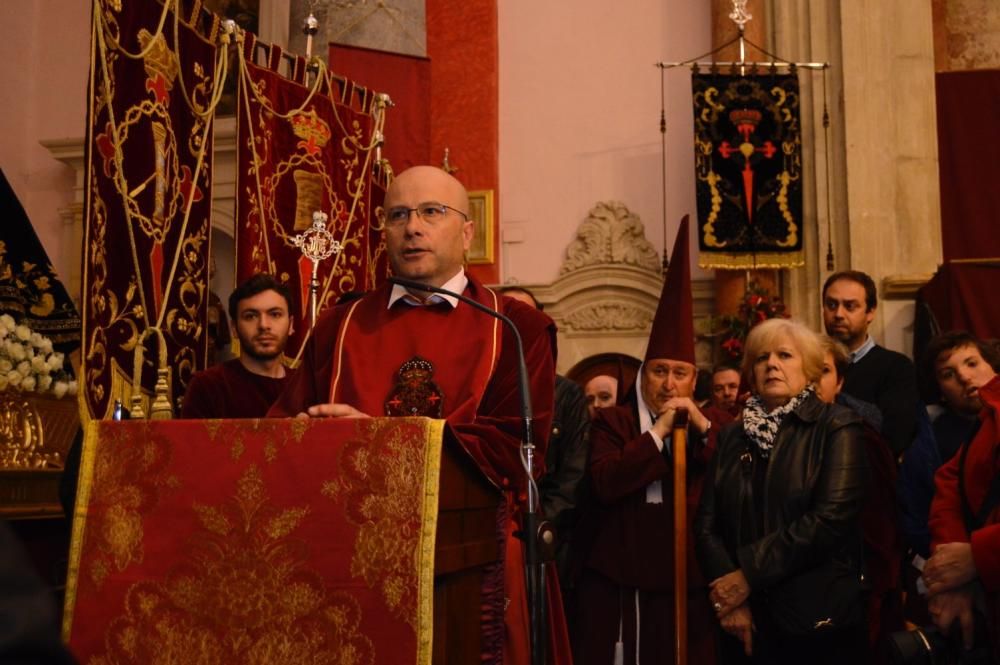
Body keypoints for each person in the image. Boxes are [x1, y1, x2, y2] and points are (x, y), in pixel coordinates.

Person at [268, 165, 571, 664]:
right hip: (349, 556)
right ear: (383, 231)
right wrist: (305, 438)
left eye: (432, 211)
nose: (413, 227)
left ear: (467, 231)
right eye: (398, 215)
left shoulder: (515, 326)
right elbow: (284, 429)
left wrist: (379, 441)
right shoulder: (340, 324)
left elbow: (516, 452)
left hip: (474, 562)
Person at [575, 218, 734, 664]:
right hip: (619, 582)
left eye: (678, 373)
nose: (668, 384)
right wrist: (658, 432)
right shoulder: (614, 422)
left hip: (689, 585)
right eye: (659, 371)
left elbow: (739, 471)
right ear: (644, 374)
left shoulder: (715, 422)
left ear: (694, 378)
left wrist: (699, 424)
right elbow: (605, 481)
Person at [695, 319, 869, 664]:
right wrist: (734, 600)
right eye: (761, 358)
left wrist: (746, 576)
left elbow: (829, 519)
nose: (771, 364)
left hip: (816, 618)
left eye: (784, 355)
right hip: (743, 620)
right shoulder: (732, 436)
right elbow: (706, 525)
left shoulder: (837, 425)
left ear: (807, 368)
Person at [500, 285, 590, 635]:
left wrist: (531, 530)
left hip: (543, 543)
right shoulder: (481, 384)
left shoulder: (565, 394)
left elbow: (572, 476)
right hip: (490, 537)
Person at [817, 335, 904, 658]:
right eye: (807, 369)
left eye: (823, 371)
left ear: (839, 382)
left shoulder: (861, 437)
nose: (813, 380)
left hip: (857, 597)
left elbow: (881, 530)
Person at [922, 347, 1000, 660]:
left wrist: (978, 557)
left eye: (972, 363)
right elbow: (950, 484)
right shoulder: (988, 413)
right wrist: (953, 576)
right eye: (950, 373)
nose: (966, 376)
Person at [822, 270, 920, 457]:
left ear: (870, 312)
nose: (838, 314)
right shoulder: (808, 364)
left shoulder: (897, 367)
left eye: (850, 306)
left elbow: (895, 439)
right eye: (831, 305)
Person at [180, 273, 295, 418]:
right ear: (234, 328)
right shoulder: (207, 387)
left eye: (275, 314)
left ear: (291, 325)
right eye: (250, 316)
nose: (264, 325)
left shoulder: (305, 387)